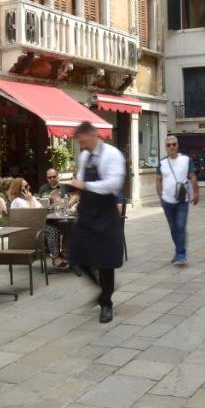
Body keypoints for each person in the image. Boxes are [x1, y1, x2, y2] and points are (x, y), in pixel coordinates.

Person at [67, 122, 125, 323]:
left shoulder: (112, 155)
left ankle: (106, 304)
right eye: (80, 143)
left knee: (105, 261)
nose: (82, 146)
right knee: (76, 253)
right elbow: (81, 179)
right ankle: (103, 288)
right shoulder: (84, 156)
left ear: (93, 135)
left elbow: (114, 184)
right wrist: (75, 189)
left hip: (105, 212)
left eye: (83, 141)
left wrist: (85, 184)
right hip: (87, 211)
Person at [156, 135, 198, 265]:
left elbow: (193, 176)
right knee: (173, 229)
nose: (171, 147)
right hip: (167, 202)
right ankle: (178, 250)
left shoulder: (185, 160)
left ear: (177, 145)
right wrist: (161, 197)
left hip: (182, 200)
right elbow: (158, 180)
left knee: (180, 226)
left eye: (174, 144)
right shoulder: (162, 163)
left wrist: (196, 193)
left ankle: (181, 254)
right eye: (168, 145)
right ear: (166, 147)